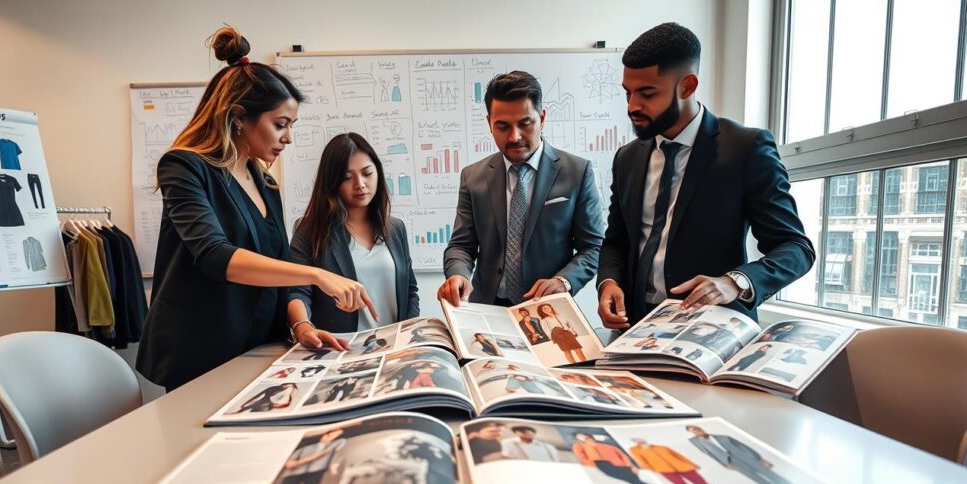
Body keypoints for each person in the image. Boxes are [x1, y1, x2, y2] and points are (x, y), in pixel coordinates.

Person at [136, 27, 374, 391]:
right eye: (280, 125)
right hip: (201, 353)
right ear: (238, 118)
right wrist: (315, 275)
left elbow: (277, 273)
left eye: (291, 126)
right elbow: (215, 256)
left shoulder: (266, 184)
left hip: (259, 350)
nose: (288, 138)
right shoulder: (184, 167)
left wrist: (302, 327)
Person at [597, 23, 814, 331]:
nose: (632, 106)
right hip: (633, 327)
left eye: (646, 94)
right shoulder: (627, 158)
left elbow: (795, 248)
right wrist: (608, 282)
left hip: (712, 330)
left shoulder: (745, 148)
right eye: (628, 93)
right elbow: (616, 242)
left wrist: (735, 282)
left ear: (687, 86)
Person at [439, 71, 603, 307]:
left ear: (542, 118)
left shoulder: (577, 172)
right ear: (489, 124)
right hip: (486, 307)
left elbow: (593, 247)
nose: (514, 136)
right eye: (502, 126)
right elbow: (460, 246)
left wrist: (564, 281)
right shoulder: (472, 177)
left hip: (549, 306)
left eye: (525, 124)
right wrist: (458, 274)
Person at [289, 133, 418, 346]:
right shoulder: (311, 230)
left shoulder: (395, 228)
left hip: (395, 347)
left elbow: (410, 290)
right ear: (332, 183)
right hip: (342, 349)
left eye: (367, 173)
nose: (360, 184)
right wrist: (303, 327)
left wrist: (411, 335)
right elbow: (298, 291)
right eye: (347, 178)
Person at [687, 425, 813, 484]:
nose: (697, 431)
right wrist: (724, 464)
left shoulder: (723, 436)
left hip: (747, 457)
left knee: (773, 476)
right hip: (732, 462)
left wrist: (761, 459)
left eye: (698, 429)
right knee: (758, 480)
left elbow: (745, 447)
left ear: (701, 428)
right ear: (692, 433)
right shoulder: (697, 442)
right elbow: (710, 455)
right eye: (694, 431)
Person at [629, 437, 735, 484]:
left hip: (685, 467)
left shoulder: (662, 447)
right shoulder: (635, 450)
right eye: (636, 439)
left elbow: (680, 456)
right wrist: (652, 470)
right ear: (635, 442)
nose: (640, 440)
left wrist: (693, 464)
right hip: (665, 470)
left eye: (640, 438)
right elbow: (641, 461)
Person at [571, 432, 672, 484]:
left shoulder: (607, 446)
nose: (582, 437)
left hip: (622, 466)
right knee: (635, 482)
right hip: (604, 466)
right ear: (577, 439)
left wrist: (630, 466)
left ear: (588, 435)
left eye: (583, 435)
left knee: (635, 481)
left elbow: (623, 456)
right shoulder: (579, 446)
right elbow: (582, 457)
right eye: (579, 436)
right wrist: (594, 464)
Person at [258, 428, 347, 484]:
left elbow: (341, 444)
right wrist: (308, 459)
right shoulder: (306, 447)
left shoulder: (336, 445)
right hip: (294, 473)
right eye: (332, 435)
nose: (333, 438)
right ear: (324, 435)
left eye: (337, 436)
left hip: (316, 472)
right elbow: (290, 464)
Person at [231, 382, 298, 413]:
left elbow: (257, 397)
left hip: (269, 405)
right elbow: (257, 397)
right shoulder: (272, 390)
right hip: (267, 404)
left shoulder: (289, 391)